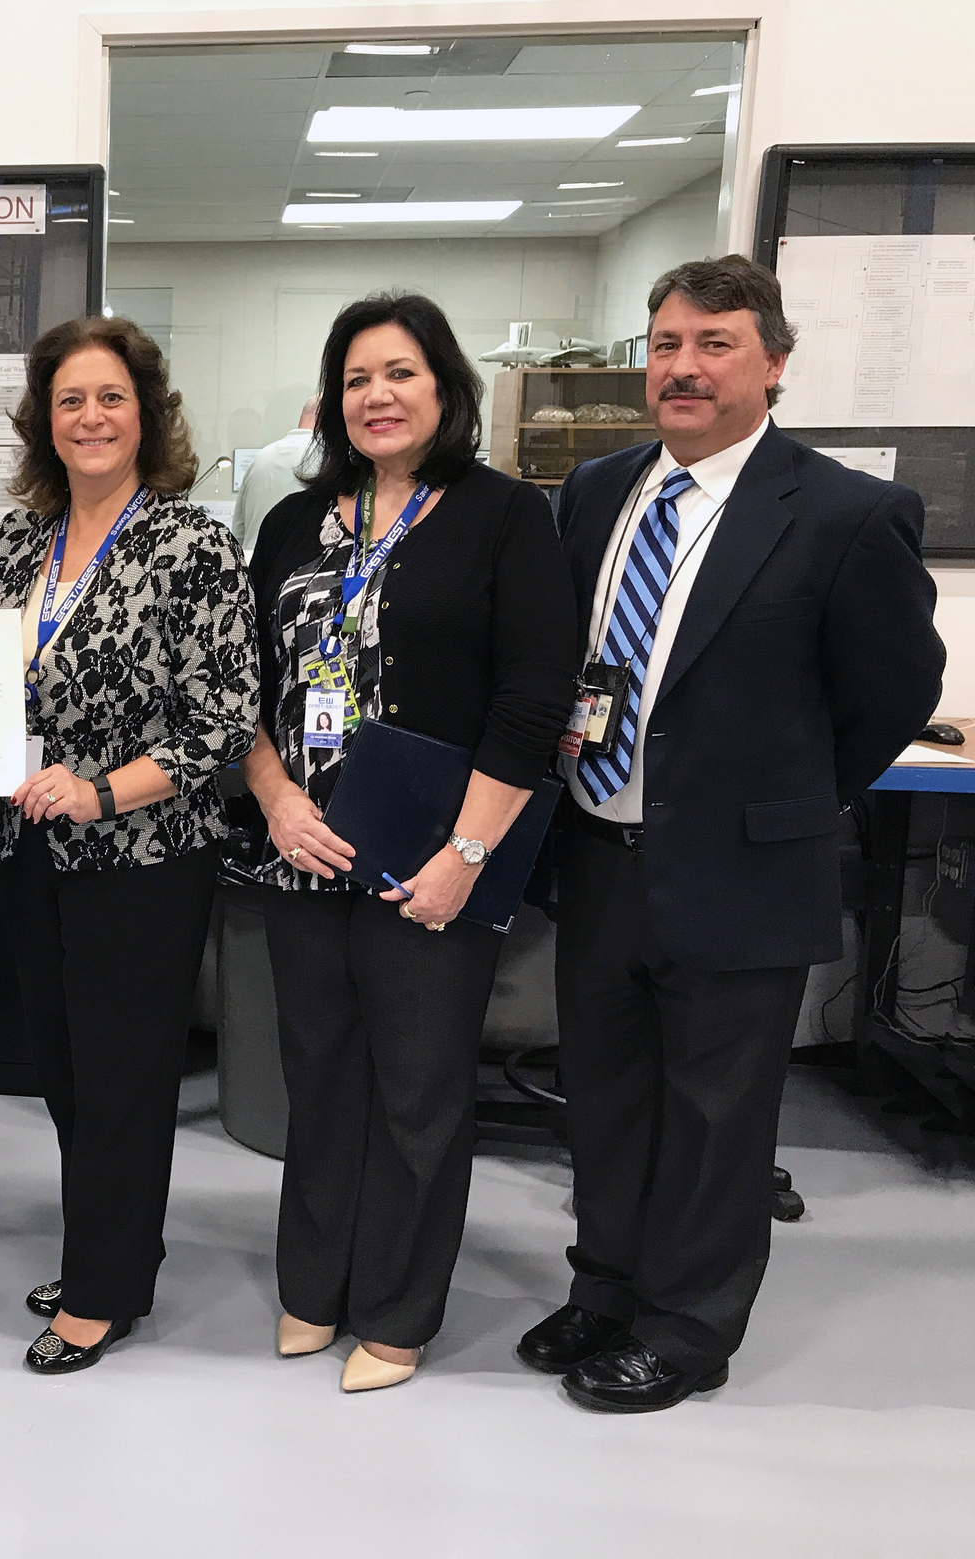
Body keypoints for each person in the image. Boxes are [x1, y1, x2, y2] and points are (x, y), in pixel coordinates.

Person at [518, 255, 944, 1412]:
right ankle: (604, 1287)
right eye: (665, 344)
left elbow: (896, 689)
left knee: (717, 1118)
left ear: (775, 364)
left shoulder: (847, 513)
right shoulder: (599, 492)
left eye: (714, 343)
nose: (684, 367)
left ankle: (689, 1327)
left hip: (741, 869)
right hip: (600, 853)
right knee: (602, 1096)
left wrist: (790, 798)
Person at [236, 292, 579, 1393]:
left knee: (420, 1090)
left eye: (401, 373)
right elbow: (242, 686)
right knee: (320, 1077)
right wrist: (279, 801)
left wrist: (465, 858)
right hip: (305, 851)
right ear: (333, 401)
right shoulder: (296, 521)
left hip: (433, 859)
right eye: (356, 378)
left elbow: (532, 704)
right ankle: (313, 1285)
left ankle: (396, 1309)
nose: (376, 396)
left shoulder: (504, 516)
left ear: (445, 388)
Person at [0, 315, 259, 1375]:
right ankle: (114, 1247)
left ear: (147, 417)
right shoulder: (19, 541)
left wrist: (100, 793)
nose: (90, 417)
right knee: (64, 1072)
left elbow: (224, 721)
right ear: (46, 423)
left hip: (142, 857)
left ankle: (103, 1293)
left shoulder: (192, 543)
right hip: (34, 851)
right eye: (70, 401)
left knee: (125, 1075)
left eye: (111, 398)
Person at [232, 396, 319, 559]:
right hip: (298, 571)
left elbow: (238, 532)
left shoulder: (261, 458)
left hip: (252, 568)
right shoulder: (329, 461)